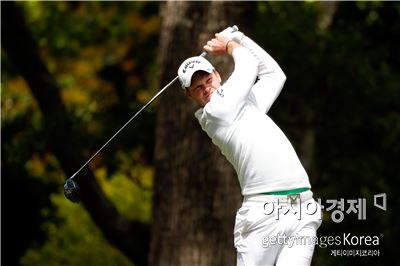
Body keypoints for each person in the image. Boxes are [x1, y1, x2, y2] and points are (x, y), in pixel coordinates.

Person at [177, 27, 322, 266]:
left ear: (216, 73)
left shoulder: (245, 105)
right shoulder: (216, 113)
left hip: (302, 208)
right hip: (262, 217)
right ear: (189, 95)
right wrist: (230, 46)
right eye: (198, 88)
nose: (206, 88)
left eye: (207, 79)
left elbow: (275, 76)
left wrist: (240, 38)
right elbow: (249, 66)